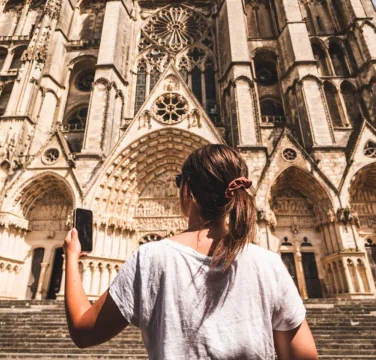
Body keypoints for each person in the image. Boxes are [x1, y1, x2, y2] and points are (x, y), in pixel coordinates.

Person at [64, 144, 318, 360]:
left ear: (187, 190)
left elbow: (84, 332)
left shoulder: (151, 257)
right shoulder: (269, 263)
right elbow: (304, 356)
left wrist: (72, 258)